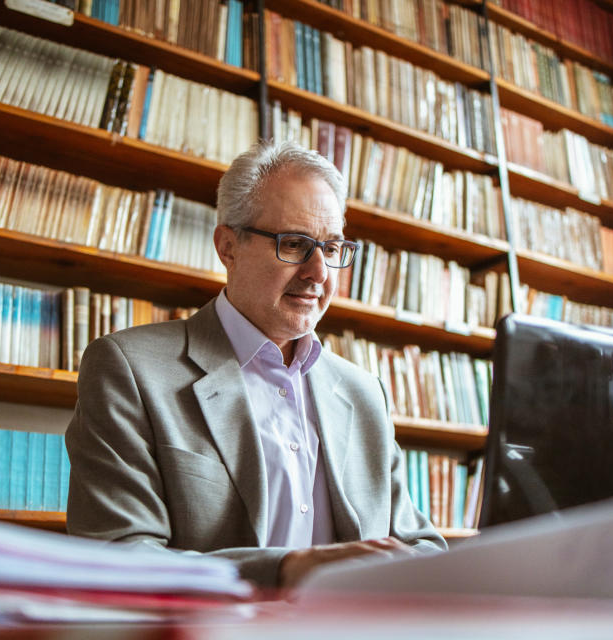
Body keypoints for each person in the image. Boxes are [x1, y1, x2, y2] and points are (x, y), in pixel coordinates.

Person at [65, 140, 446, 590]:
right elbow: (118, 556)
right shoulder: (129, 368)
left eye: (332, 247)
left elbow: (421, 544)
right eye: (294, 244)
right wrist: (282, 572)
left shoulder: (363, 393)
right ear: (228, 246)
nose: (319, 272)